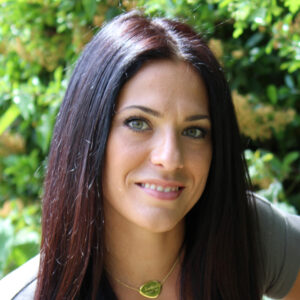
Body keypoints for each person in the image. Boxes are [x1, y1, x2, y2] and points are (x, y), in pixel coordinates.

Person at [1, 10, 299, 300]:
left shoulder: (244, 231)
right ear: (88, 134)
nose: (169, 158)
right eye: (138, 123)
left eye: (194, 131)